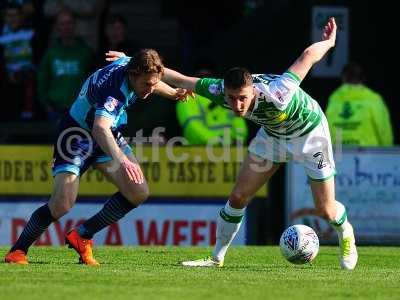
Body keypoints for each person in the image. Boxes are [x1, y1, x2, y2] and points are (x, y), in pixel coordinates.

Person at [156, 17, 357, 269]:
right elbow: (182, 79)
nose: (237, 105)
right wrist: (135, 64)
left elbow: (306, 56)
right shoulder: (219, 91)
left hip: (310, 133)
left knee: (326, 210)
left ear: (252, 91)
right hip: (273, 135)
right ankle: (216, 258)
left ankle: (346, 232)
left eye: (242, 98)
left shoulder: (278, 92)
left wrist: (329, 42)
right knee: (239, 196)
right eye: (232, 99)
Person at [4, 48, 189, 265]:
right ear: (132, 74)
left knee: (137, 191)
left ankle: (83, 235)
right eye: (146, 84)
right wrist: (123, 160)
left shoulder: (132, 65)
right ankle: (18, 251)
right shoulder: (115, 91)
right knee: (62, 204)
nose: (150, 89)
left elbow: (160, 77)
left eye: (153, 83)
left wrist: (174, 92)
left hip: (106, 133)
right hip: (76, 136)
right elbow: (100, 129)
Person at [38, 9, 93, 121]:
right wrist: (47, 106)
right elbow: (42, 82)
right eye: (62, 23)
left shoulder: (86, 52)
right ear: (57, 27)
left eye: (69, 23)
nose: (66, 27)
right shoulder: (50, 54)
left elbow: (93, 80)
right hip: (56, 111)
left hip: (80, 111)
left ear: (74, 25)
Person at [176, 63, 248, 145]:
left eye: (209, 77)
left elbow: (240, 126)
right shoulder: (187, 99)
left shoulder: (227, 97)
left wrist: (237, 139)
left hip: (232, 150)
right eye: (200, 77)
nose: (204, 81)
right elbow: (192, 129)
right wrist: (219, 141)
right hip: (200, 152)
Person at [325, 62, 393, 146]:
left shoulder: (334, 99)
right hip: (369, 154)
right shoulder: (373, 98)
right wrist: (387, 153)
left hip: (340, 153)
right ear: (363, 78)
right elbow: (383, 129)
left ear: (343, 78)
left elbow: (325, 129)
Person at [0, 2, 35, 120]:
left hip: (27, 76)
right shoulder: (1, 35)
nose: (12, 19)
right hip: (7, 78)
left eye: (15, 15)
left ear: (21, 17)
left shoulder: (31, 33)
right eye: (9, 16)